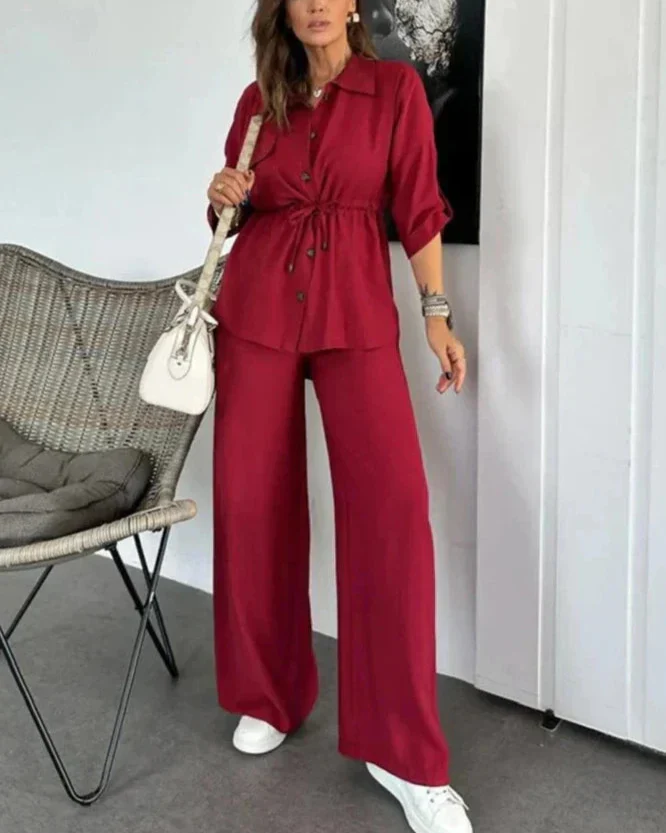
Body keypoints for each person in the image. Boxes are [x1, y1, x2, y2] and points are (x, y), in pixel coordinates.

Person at [205, 2, 470, 832]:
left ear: (354, 3)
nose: (315, 5)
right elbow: (233, 215)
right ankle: (269, 693)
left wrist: (436, 315)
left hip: (355, 312)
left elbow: (418, 207)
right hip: (257, 312)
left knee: (393, 510)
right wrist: (223, 194)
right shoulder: (259, 101)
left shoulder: (394, 91)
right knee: (250, 503)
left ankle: (403, 751)